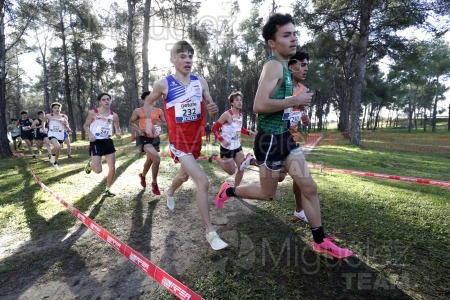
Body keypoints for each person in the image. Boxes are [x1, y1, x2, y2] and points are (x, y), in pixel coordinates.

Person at [214, 13, 353, 259]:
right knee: (268, 195)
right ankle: (229, 189)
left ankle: (320, 240)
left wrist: (296, 108)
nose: (293, 39)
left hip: (286, 139)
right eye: (286, 35)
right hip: (269, 141)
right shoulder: (273, 66)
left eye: (294, 34)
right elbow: (258, 105)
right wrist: (295, 100)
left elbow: (281, 105)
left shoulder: (287, 71)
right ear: (272, 42)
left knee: (309, 186)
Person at [143, 40, 228, 250]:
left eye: (190, 56)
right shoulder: (164, 83)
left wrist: (213, 108)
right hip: (179, 141)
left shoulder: (200, 82)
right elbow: (148, 102)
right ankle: (210, 232)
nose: (187, 60)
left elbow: (210, 106)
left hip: (195, 139)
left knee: (183, 176)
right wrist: (147, 122)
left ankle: (169, 191)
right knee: (203, 182)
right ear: (173, 60)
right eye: (182, 56)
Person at [283, 51, 312, 223]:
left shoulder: (305, 90)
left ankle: (299, 210)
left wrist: (305, 118)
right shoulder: (281, 86)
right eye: (302, 64)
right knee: (276, 180)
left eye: (307, 65)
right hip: (275, 138)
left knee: (299, 175)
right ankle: (250, 161)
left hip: (291, 139)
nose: (306, 68)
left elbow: (303, 116)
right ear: (291, 66)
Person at [208, 91, 256, 187]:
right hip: (227, 147)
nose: (240, 102)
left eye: (241, 100)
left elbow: (240, 129)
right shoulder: (226, 115)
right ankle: (216, 157)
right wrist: (222, 140)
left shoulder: (240, 115)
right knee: (231, 172)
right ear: (232, 103)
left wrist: (249, 132)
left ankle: (235, 189)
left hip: (237, 146)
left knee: (242, 167)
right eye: (237, 100)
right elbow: (214, 128)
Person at [83, 93, 122, 197]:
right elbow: (85, 125)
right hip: (96, 142)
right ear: (100, 102)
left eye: (108, 99)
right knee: (98, 170)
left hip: (108, 141)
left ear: (111, 100)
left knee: (112, 167)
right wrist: (90, 134)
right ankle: (91, 164)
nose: (106, 101)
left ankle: (108, 189)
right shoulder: (93, 113)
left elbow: (117, 127)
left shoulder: (114, 115)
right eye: (104, 100)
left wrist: (118, 133)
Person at [129, 91, 166, 195]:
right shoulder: (138, 111)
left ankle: (143, 175)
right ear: (143, 100)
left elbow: (164, 124)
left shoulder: (159, 111)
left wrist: (161, 123)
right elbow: (131, 122)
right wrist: (139, 129)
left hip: (155, 138)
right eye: (148, 98)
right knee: (157, 160)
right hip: (144, 137)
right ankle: (154, 183)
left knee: (150, 161)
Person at [44, 103, 72, 170]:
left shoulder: (64, 116)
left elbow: (66, 125)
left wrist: (68, 128)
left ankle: (55, 162)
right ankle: (52, 156)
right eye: (55, 108)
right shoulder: (49, 115)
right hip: (52, 133)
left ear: (60, 109)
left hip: (60, 134)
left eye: (58, 108)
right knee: (57, 146)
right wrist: (43, 128)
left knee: (58, 150)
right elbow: (43, 121)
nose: (57, 109)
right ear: (52, 109)